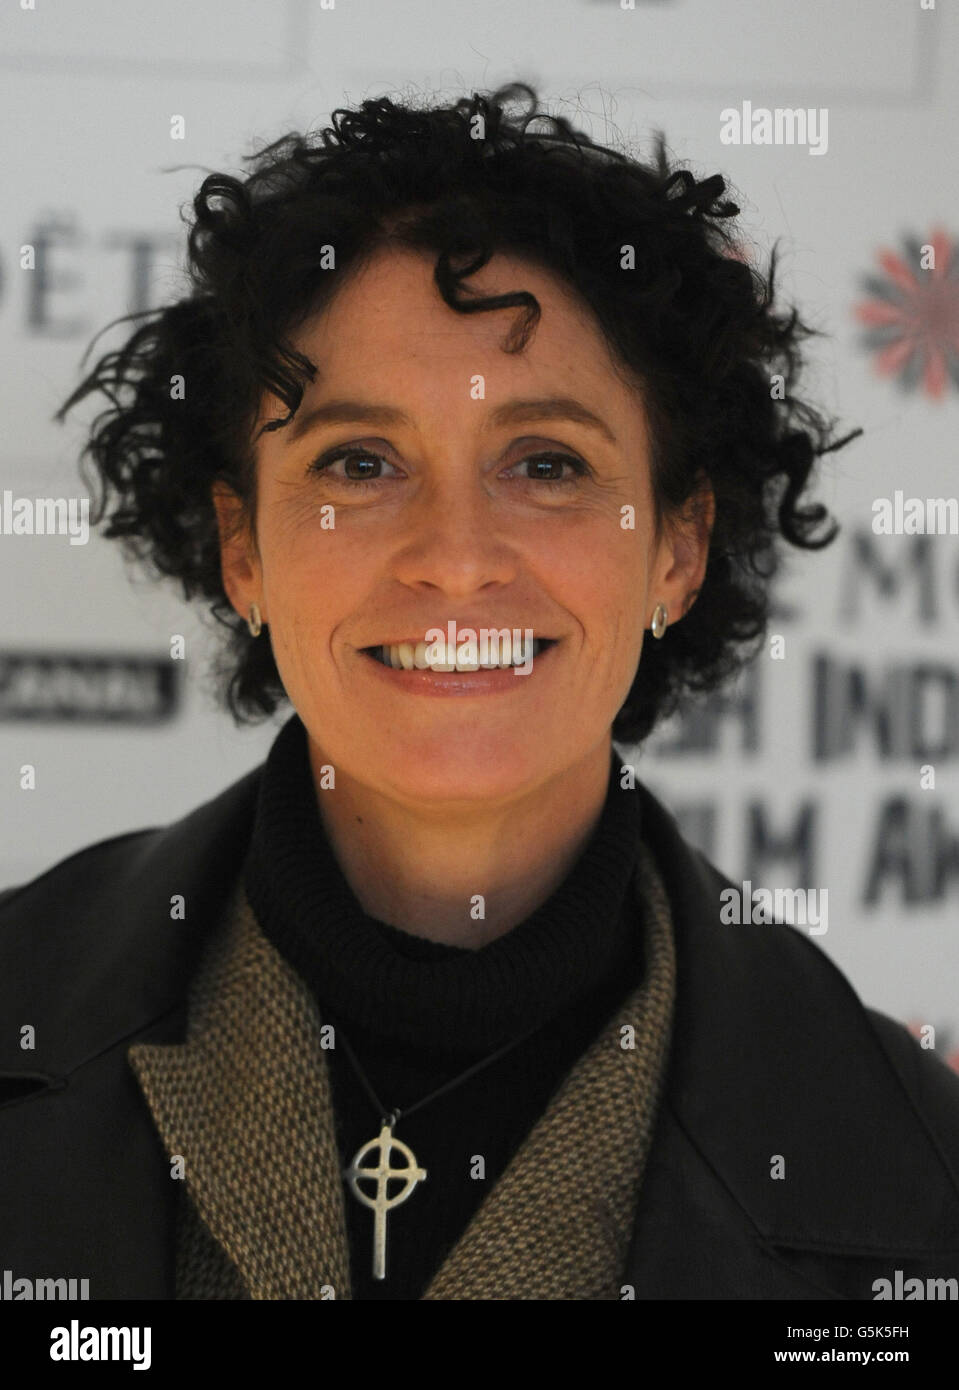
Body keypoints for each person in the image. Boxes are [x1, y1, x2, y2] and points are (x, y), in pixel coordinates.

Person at [1, 83, 957, 1303]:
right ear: (243, 549)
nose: (453, 556)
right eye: (359, 461)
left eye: (546, 463)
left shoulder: (917, 1175)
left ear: (674, 545)